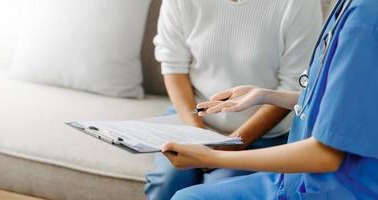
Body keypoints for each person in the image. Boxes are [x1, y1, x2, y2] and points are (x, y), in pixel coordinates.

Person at [161, 0, 378, 199]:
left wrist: (211, 157)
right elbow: (342, 101)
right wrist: (266, 95)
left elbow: (327, 154)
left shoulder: (363, 20)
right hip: (303, 177)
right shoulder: (349, 7)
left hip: (333, 186)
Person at [145, 0, 322, 199]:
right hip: (192, 120)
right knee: (166, 182)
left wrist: (233, 144)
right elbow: (173, 67)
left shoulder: (299, 4)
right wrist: (197, 135)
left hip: (264, 133)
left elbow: (295, 84)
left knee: (218, 187)